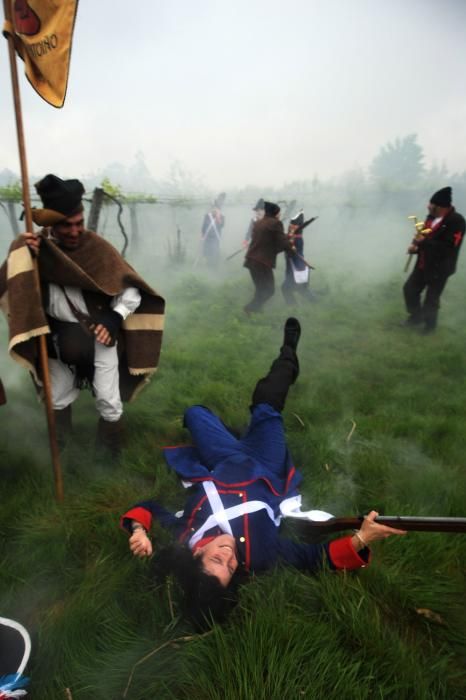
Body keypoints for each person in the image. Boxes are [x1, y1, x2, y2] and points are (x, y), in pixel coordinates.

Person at [121, 318, 405, 628]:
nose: (230, 556)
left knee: (194, 413)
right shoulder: (261, 556)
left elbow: (149, 508)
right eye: (230, 568)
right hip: (266, 466)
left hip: (222, 460)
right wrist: (363, 537)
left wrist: (139, 531)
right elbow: (314, 559)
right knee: (267, 402)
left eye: (217, 559)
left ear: (195, 557)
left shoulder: (183, 535)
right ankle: (288, 354)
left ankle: (233, 435)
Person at [0, 174, 165, 454]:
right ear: (52, 225)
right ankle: (62, 449)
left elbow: (132, 291)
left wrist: (114, 318)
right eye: (66, 226)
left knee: (109, 402)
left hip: (99, 335)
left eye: (79, 223)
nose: (75, 231)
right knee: (57, 398)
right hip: (56, 340)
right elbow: (10, 285)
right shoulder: (35, 248)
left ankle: (110, 455)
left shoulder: (97, 248)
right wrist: (22, 256)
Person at [402, 187, 465, 333]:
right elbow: (422, 234)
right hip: (424, 263)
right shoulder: (431, 217)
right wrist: (415, 245)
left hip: (440, 267)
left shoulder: (457, 221)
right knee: (410, 290)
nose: (428, 206)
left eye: (432, 204)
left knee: (431, 298)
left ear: (441, 207)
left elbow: (449, 247)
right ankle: (416, 317)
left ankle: (429, 328)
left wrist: (423, 242)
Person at [243, 201, 296, 313]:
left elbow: (269, 242)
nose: (280, 215)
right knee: (269, 290)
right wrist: (291, 247)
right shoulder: (276, 223)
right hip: (261, 262)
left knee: (260, 289)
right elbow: (282, 244)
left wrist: (285, 238)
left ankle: (256, 310)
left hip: (251, 260)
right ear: (275, 213)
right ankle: (249, 309)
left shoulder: (259, 223)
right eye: (279, 213)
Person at [281, 210, 317, 305]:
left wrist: (286, 243)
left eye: (294, 225)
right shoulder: (294, 237)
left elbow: (289, 248)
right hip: (296, 267)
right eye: (291, 224)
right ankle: (316, 301)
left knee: (285, 288)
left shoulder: (297, 239)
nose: (291, 226)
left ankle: (293, 308)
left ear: (299, 227)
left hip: (297, 268)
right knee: (301, 290)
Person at [200, 193, 226, 266]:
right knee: (207, 256)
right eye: (214, 208)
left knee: (214, 255)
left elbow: (222, 225)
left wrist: (218, 218)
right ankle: (207, 269)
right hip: (207, 238)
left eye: (216, 209)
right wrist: (202, 236)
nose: (215, 210)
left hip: (215, 239)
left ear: (219, 209)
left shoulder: (222, 217)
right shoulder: (207, 216)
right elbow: (203, 226)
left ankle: (214, 269)